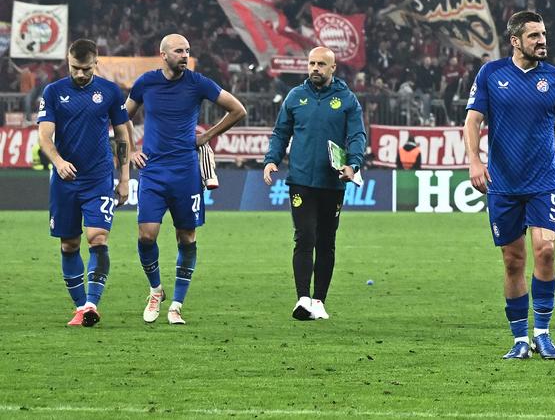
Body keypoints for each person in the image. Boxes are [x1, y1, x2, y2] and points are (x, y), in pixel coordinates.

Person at [465, 11, 555, 360]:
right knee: (513, 260)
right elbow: (472, 120)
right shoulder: (491, 74)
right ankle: (519, 339)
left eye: (544, 34)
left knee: (546, 250)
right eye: (534, 36)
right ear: (515, 41)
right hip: (504, 183)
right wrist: (475, 160)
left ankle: (542, 332)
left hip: (543, 180)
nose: (542, 41)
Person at [128, 34, 248, 326]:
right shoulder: (146, 83)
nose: (185, 55)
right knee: (146, 235)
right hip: (153, 172)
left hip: (186, 173)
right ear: (163, 54)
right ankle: (156, 290)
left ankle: (177, 305)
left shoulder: (198, 83)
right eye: (179, 50)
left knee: (187, 237)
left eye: (187, 50)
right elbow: (122, 117)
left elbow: (238, 109)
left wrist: (206, 136)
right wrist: (131, 149)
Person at [262, 46, 366, 321]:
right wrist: (272, 159)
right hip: (301, 181)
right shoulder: (296, 97)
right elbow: (281, 132)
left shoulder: (347, 100)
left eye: (321, 64)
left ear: (333, 68)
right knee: (304, 236)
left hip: (332, 182)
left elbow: (357, 136)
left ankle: (319, 300)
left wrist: (353, 164)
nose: (315, 68)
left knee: (326, 241)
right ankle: (303, 299)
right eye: (311, 63)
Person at [36, 39, 132, 327]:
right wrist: (58, 161)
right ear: (68, 61)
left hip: (99, 177)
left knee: (97, 237)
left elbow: (122, 136)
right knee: (69, 244)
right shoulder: (53, 92)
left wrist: (124, 177)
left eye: (86, 69)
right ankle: (81, 308)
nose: (80, 74)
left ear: (96, 62)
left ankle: (92, 303)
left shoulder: (110, 91)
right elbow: (44, 136)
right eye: (75, 68)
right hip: (65, 180)